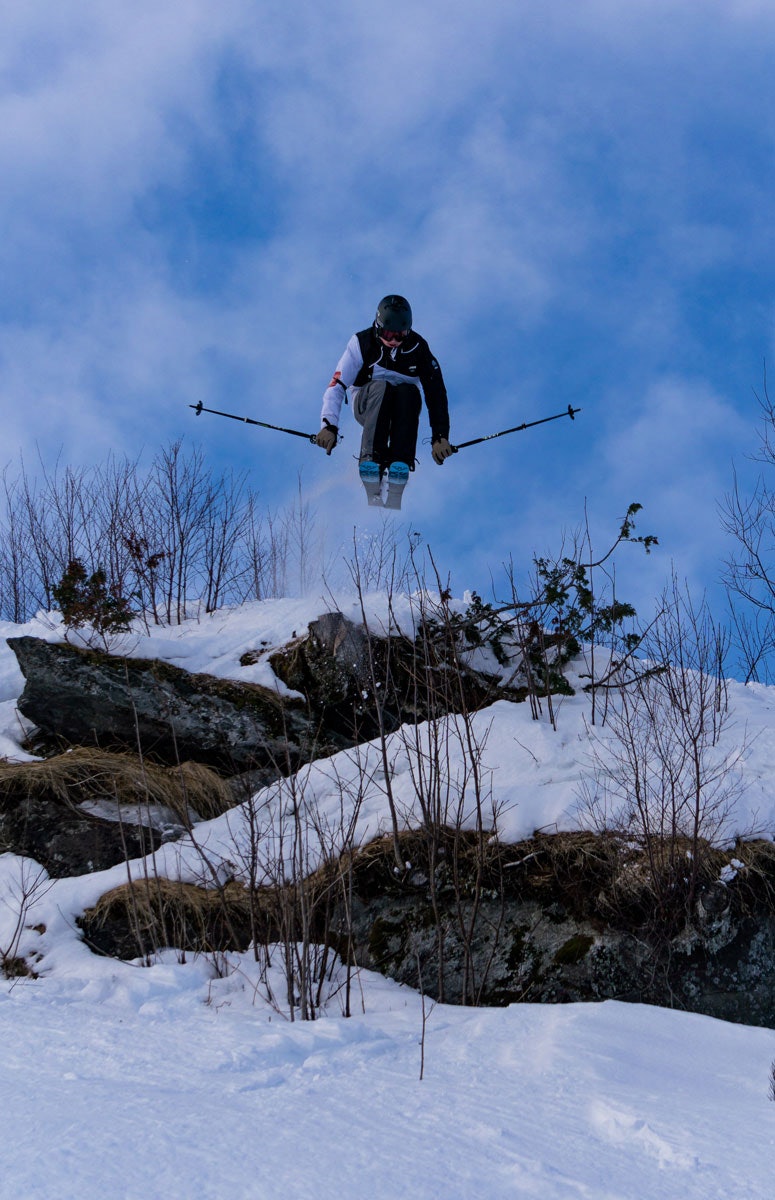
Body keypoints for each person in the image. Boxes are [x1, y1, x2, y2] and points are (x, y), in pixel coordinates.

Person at [315, 295, 453, 509]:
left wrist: (440, 437)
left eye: (400, 335)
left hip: (400, 411)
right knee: (382, 386)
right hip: (368, 404)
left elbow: (436, 394)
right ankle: (371, 460)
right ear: (378, 327)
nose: (394, 341)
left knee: (408, 392)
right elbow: (337, 385)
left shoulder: (419, 349)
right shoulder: (362, 343)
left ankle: (400, 463)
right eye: (388, 334)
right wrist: (328, 426)